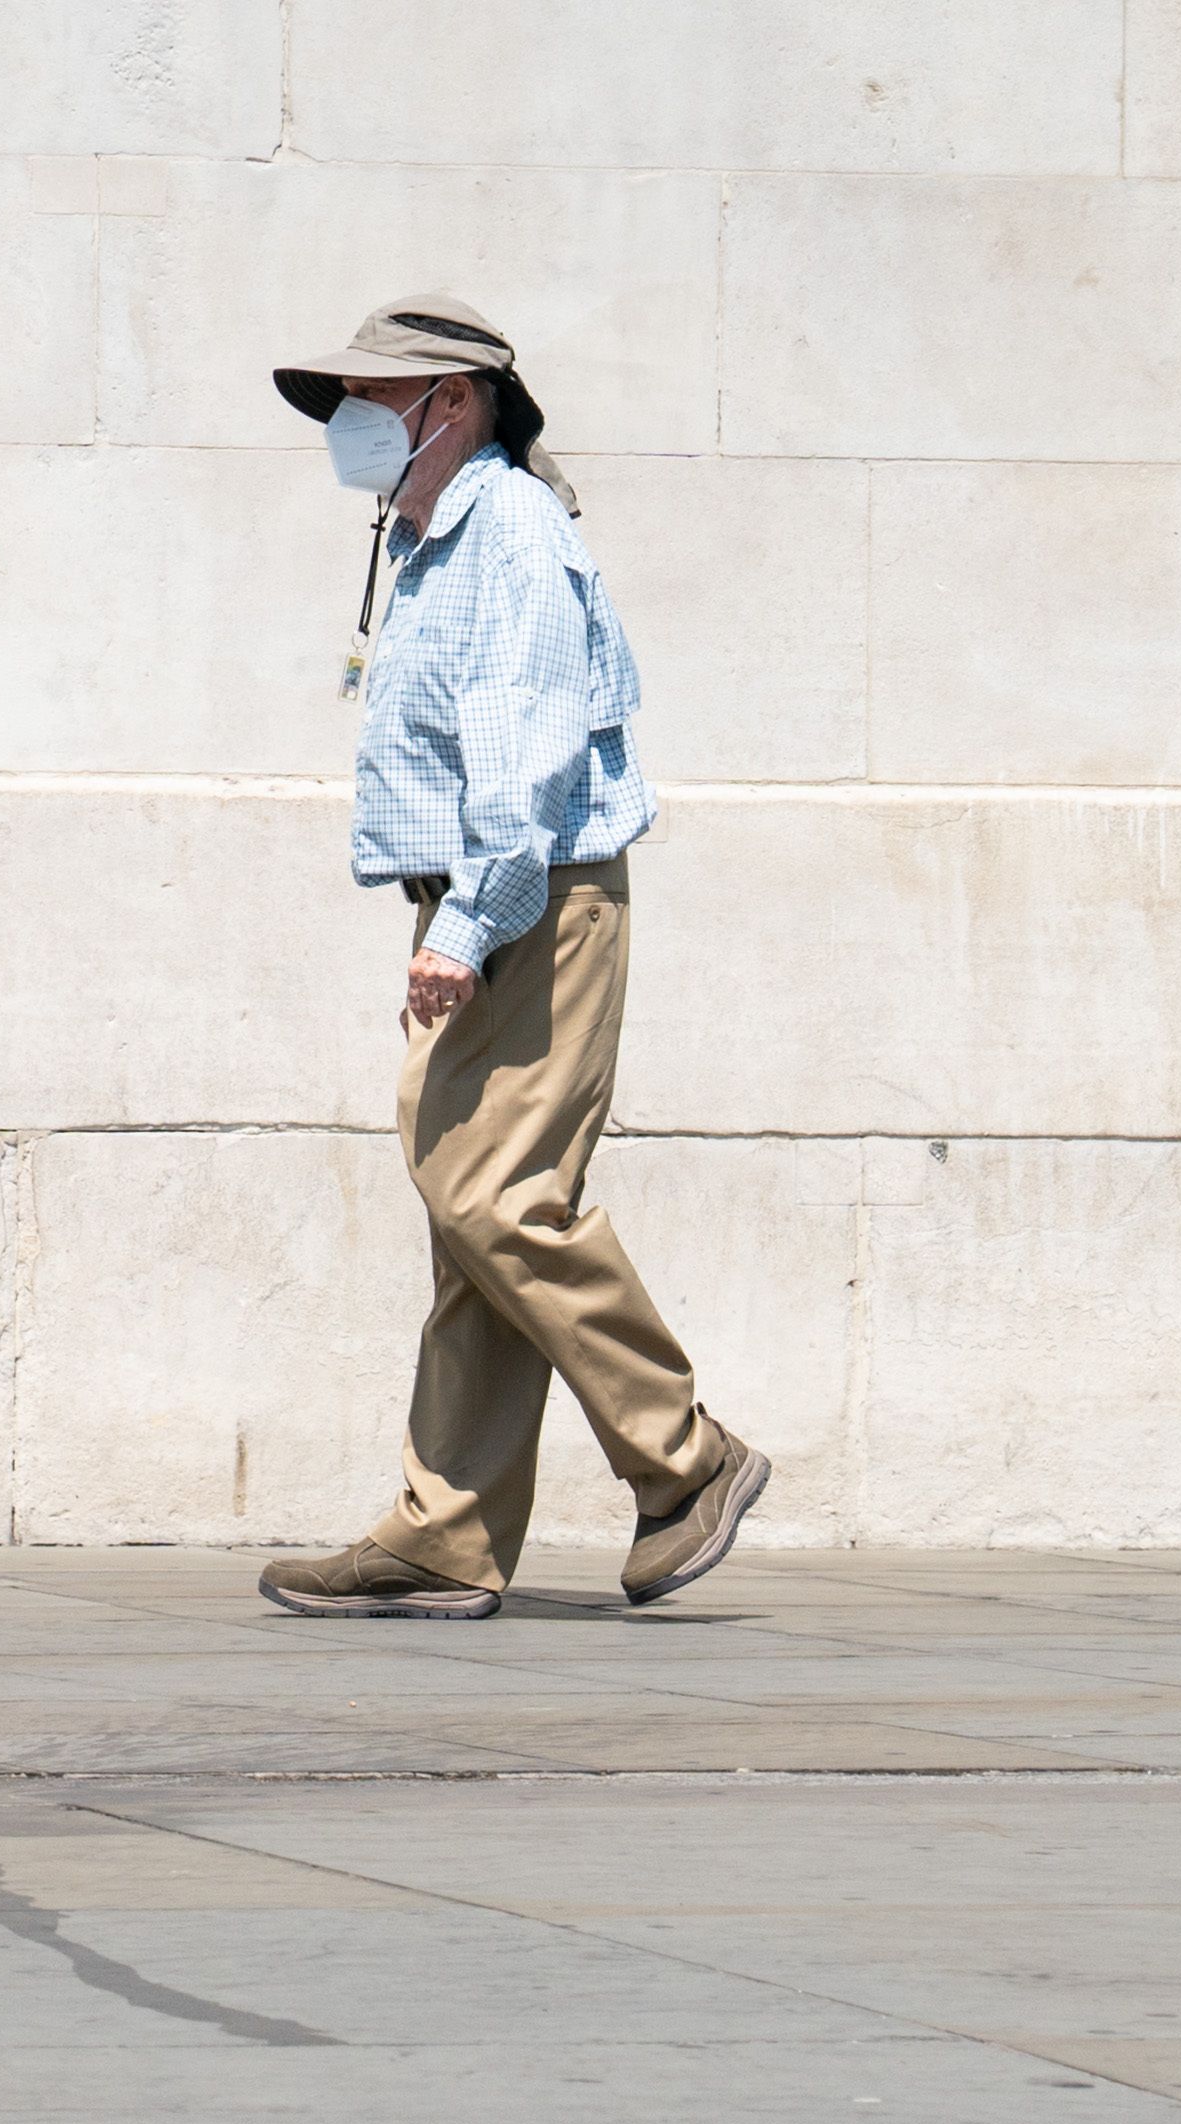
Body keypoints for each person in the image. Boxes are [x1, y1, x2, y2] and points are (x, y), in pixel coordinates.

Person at [252, 298, 765, 1622]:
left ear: (459, 403)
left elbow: (525, 747)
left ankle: (685, 1457)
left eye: (382, 392)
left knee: (492, 1192)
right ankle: (447, 1529)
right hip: (490, 886)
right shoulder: (430, 542)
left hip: (531, 893)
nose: (356, 419)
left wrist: (467, 928)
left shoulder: (511, 533)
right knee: (470, 1210)